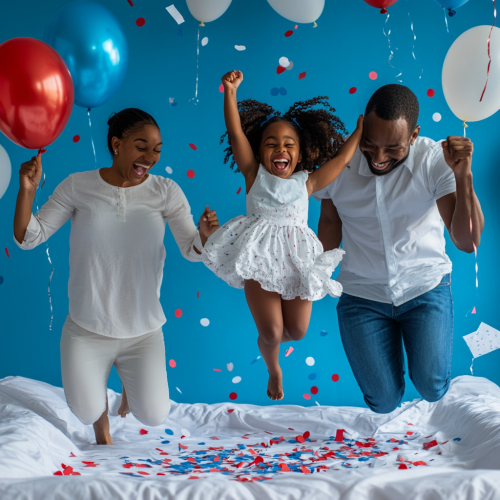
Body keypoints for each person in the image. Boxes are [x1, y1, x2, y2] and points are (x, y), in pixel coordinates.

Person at [13, 108, 219, 444]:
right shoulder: (78, 186)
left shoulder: (165, 191)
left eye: (156, 150)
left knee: (154, 414)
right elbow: (28, 237)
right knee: (85, 410)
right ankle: (102, 426)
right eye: (141, 147)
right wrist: (27, 190)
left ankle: (127, 379)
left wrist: (206, 237)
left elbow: (190, 250)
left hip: (142, 330)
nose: (149, 157)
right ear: (116, 144)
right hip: (87, 328)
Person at [315, 84, 484, 413]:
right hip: (362, 297)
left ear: (414, 135)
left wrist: (463, 176)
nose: (378, 158)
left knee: (432, 388)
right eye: (370, 143)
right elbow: (330, 221)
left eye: (392, 148)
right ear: (361, 124)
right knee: (382, 401)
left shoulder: (434, 159)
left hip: (425, 288)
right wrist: (316, 271)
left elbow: (467, 242)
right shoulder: (339, 163)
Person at [200, 70, 363, 401]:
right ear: (260, 153)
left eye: (288, 144)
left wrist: (359, 133)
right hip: (258, 254)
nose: (280, 149)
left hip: (297, 258)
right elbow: (234, 133)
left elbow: (342, 158)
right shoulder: (254, 174)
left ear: (300, 155)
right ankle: (273, 367)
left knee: (297, 331)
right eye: (271, 144)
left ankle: (270, 342)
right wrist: (229, 92)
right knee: (273, 331)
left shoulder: (308, 182)